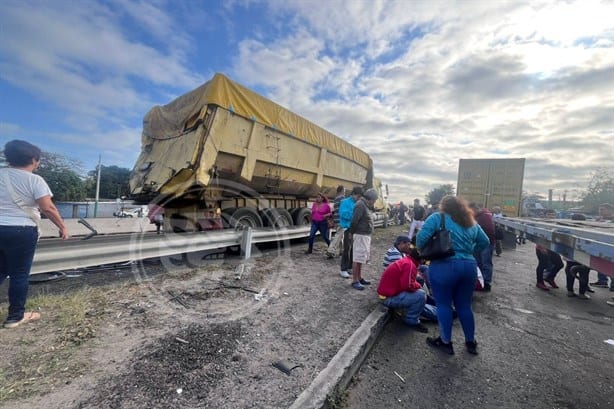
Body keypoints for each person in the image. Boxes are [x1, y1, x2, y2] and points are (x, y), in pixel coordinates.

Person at [0, 140, 70, 328]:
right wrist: (62, 226)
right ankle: (15, 317)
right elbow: (47, 207)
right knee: (19, 274)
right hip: (21, 230)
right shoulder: (34, 180)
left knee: (1, 270)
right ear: (33, 159)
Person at [417, 195, 489, 355]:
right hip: (469, 266)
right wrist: (470, 251)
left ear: (444, 206)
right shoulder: (470, 221)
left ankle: (445, 342)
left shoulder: (437, 218)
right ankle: (471, 342)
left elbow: (421, 240)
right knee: (464, 305)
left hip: (444, 265)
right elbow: (485, 242)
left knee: (443, 304)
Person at [377, 256, 428, 332]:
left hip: (387, 295)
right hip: (388, 298)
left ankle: (414, 312)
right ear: (422, 259)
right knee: (421, 295)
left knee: (419, 290)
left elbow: (407, 283)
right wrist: (418, 286)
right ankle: (411, 321)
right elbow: (408, 285)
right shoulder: (410, 265)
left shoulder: (407, 261)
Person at [348, 188, 378, 290]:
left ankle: (359, 278)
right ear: (370, 198)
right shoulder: (360, 205)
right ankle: (355, 280)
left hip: (364, 235)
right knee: (357, 258)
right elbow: (354, 221)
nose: (374, 202)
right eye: (374, 200)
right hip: (360, 235)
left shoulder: (365, 205)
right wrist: (351, 233)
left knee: (361, 257)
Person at [535, 209, 564, 291]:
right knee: (542, 265)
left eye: (553, 215)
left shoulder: (556, 224)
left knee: (560, 264)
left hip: (552, 248)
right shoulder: (541, 224)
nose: (551, 216)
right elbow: (537, 236)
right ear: (545, 215)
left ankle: (550, 278)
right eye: (549, 214)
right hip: (542, 248)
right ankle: (539, 282)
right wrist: (542, 247)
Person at [469, 203, 495, 292]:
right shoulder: (479, 216)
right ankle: (480, 281)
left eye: (472, 211)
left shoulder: (485, 216)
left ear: (476, 208)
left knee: (486, 263)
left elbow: (488, 230)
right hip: (477, 243)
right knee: (478, 262)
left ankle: (486, 283)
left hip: (486, 243)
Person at [338, 187, 362, 278]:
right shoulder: (345, 202)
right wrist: (355, 216)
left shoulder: (358, 203)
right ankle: (343, 269)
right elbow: (343, 214)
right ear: (353, 194)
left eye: (360, 197)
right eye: (358, 196)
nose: (358, 198)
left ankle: (349, 266)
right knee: (346, 249)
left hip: (356, 229)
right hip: (347, 228)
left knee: (353, 249)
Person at [590, 203, 614, 290]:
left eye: (602, 209)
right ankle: (602, 281)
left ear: (610, 210)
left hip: (611, 245)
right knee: (600, 263)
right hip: (600, 244)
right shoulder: (599, 219)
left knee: (611, 266)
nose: (600, 211)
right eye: (599, 209)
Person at [325, 185, 346, 258]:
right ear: (342, 190)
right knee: (338, 235)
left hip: (336, 219)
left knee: (340, 235)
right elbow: (344, 209)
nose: (345, 192)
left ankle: (341, 251)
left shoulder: (336, 199)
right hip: (341, 220)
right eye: (344, 190)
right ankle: (331, 250)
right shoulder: (342, 198)